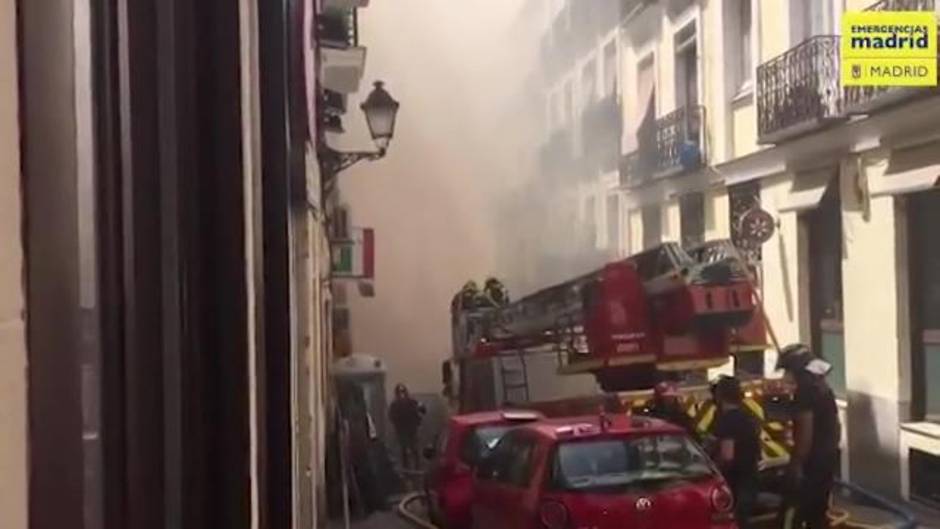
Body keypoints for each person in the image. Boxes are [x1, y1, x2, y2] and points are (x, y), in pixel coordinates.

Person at [777, 343, 841, 529]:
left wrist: (796, 465)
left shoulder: (804, 393)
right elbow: (836, 427)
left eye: (787, 370)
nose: (785, 376)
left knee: (791, 515)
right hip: (826, 460)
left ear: (795, 369)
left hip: (811, 465)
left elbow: (805, 434)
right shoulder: (824, 389)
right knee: (817, 516)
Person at [711, 376, 760, 529]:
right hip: (750, 477)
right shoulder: (748, 417)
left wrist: (714, 474)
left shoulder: (726, 420)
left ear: (720, 395)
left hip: (734, 482)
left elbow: (727, 455)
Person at [388, 383, 426, 470]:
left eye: (403, 391)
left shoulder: (412, 402)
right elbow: (391, 416)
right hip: (402, 430)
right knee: (404, 449)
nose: (401, 394)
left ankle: (417, 467)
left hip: (412, 429)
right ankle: (406, 468)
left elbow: (423, 410)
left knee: (414, 449)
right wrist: (396, 423)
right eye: (399, 392)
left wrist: (418, 417)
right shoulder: (395, 405)